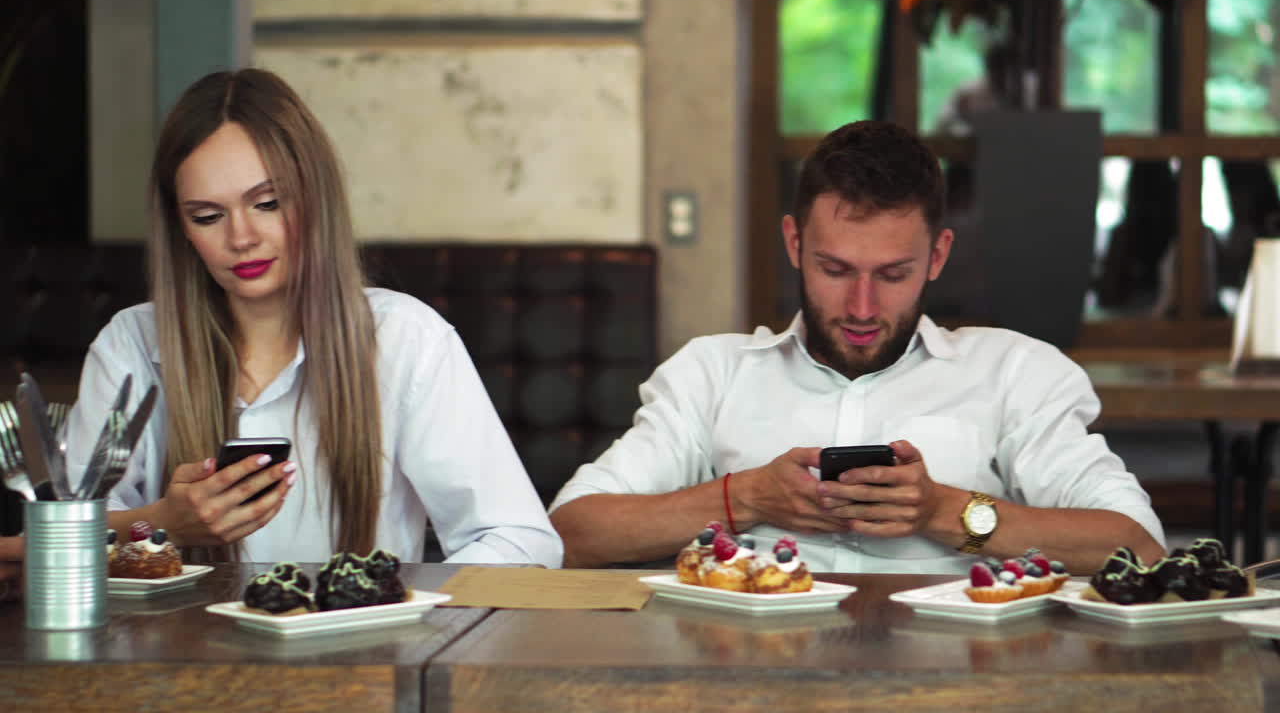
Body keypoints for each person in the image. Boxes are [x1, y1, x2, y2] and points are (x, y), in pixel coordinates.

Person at [550, 120, 1165, 574]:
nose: (863, 308)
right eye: (835, 270)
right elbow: (571, 534)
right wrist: (745, 499)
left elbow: (1136, 546)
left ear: (939, 256)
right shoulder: (712, 373)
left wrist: (946, 513)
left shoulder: (1014, 373)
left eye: (894, 275)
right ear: (794, 245)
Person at [65, 69, 562, 567]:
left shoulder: (406, 338)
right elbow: (62, 538)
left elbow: (522, 542)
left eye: (268, 203)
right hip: (177, 644)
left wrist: (404, 604)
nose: (241, 237)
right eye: (207, 216)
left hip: (368, 641)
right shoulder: (129, 344)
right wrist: (164, 521)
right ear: (181, 230)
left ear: (315, 197)